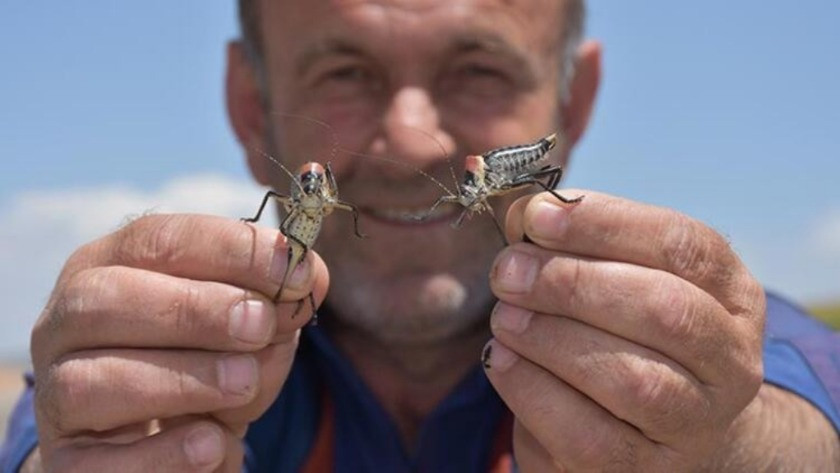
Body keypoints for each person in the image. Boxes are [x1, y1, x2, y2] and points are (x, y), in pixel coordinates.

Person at [2, 0, 839, 471]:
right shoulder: (190, 349)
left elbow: (801, 405)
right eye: (345, 72)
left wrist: (734, 439)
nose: (408, 141)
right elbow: (47, 426)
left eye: (477, 69)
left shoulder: (682, 334)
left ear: (575, 102)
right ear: (249, 103)